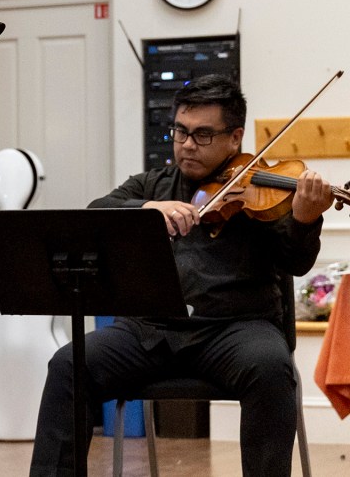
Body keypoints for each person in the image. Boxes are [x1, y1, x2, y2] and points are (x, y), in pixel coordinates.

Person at [28, 74, 335, 477]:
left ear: (235, 137)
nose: (187, 144)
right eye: (180, 131)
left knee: (271, 367)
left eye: (203, 135)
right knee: (69, 364)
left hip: (236, 331)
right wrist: (147, 209)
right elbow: (96, 211)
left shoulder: (262, 193)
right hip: (150, 332)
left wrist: (304, 219)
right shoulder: (152, 184)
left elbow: (296, 262)